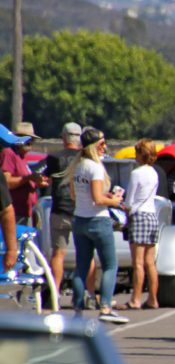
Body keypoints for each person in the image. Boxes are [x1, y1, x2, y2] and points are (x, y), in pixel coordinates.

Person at [66, 127, 128, 324]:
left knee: (82, 266)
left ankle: (77, 308)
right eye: (102, 144)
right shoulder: (95, 167)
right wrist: (115, 201)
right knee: (110, 265)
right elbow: (97, 199)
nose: (105, 147)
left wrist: (105, 197)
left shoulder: (77, 166)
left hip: (80, 219)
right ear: (94, 146)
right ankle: (106, 306)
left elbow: (75, 195)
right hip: (97, 220)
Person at [44, 122, 97, 301]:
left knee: (58, 253)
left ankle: (55, 293)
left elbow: (43, 176)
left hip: (60, 209)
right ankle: (89, 294)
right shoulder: (85, 158)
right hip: (81, 210)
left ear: (63, 137)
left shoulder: (54, 157)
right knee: (87, 254)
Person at [117, 139, 160, 311]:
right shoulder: (154, 173)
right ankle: (153, 299)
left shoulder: (137, 173)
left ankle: (135, 299)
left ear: (141, 154)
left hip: (139, 216)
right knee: (150, 262)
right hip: (152, 216)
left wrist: (121, 204)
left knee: (138, 263)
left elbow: (129, 201)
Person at [1, 122, 48, 225]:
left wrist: (37, 181)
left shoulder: (22, 157)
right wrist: (29, 178)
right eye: (27, 140)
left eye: (31, 141)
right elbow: (7, 182)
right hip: (15, 213)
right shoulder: (9, 153)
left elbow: (24, 179)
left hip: (26, 213)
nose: (30, 143)